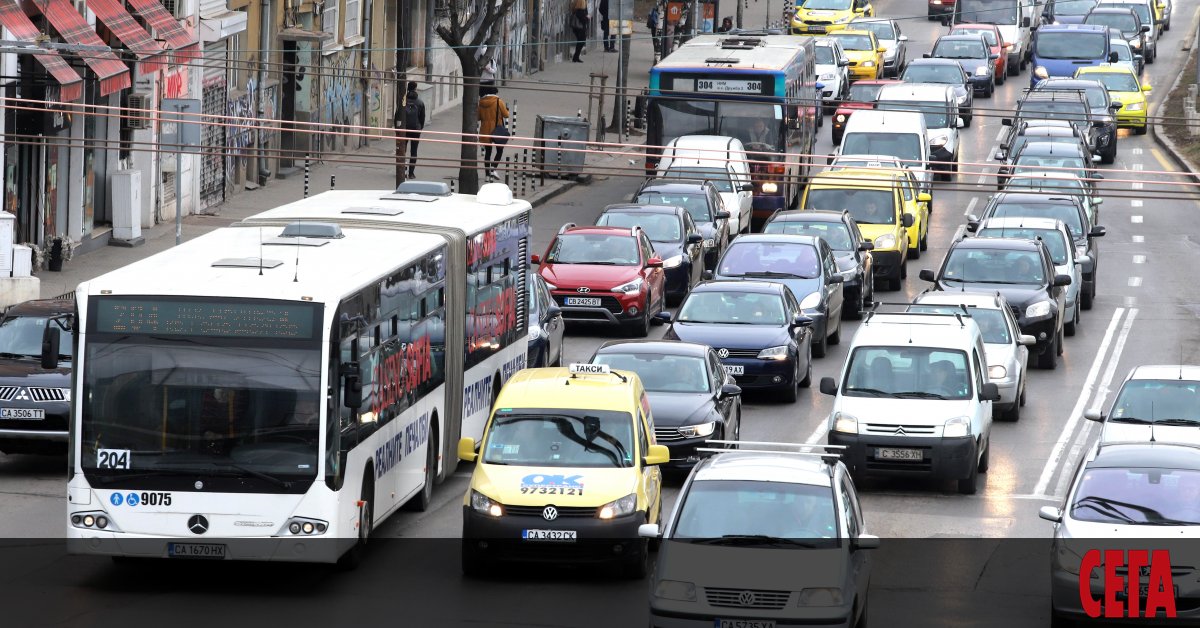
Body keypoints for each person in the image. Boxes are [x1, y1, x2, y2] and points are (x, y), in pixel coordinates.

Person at [477, 85, 510, 182]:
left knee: (488, 153)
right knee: (500, 151)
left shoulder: (481, 103)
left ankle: (487, 175)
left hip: (485, 130)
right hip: (497, 131)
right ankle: (493, 169)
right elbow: (506, 115)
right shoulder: (498, 102)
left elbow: (478, 117)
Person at [396, 81, 426, 179]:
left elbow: (397, 116)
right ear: (416, 89)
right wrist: (419, 128)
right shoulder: (420, 102)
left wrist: (397, 130)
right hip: (415, 130)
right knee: (414, 151)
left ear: (408, 88)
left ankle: (402, 171)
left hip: (404, 129)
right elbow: (422, 119)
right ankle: (411, 173)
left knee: (402, 150)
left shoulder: (403, 101)